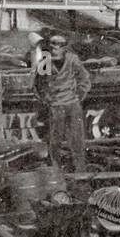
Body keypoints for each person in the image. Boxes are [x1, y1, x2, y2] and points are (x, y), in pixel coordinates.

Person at [34, 34, 91, 173]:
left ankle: (80, 169)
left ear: (64, 48)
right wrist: (47, 99)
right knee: (55, 140)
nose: (55, 49)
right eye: (53, 45)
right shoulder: (46, 61)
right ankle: (55, 169)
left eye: (59, 46)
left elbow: (84, 79)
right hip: (56, 106)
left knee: (77, 139)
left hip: (72, 105)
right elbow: (39, 84)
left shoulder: (72, 60)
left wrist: (79, 95)